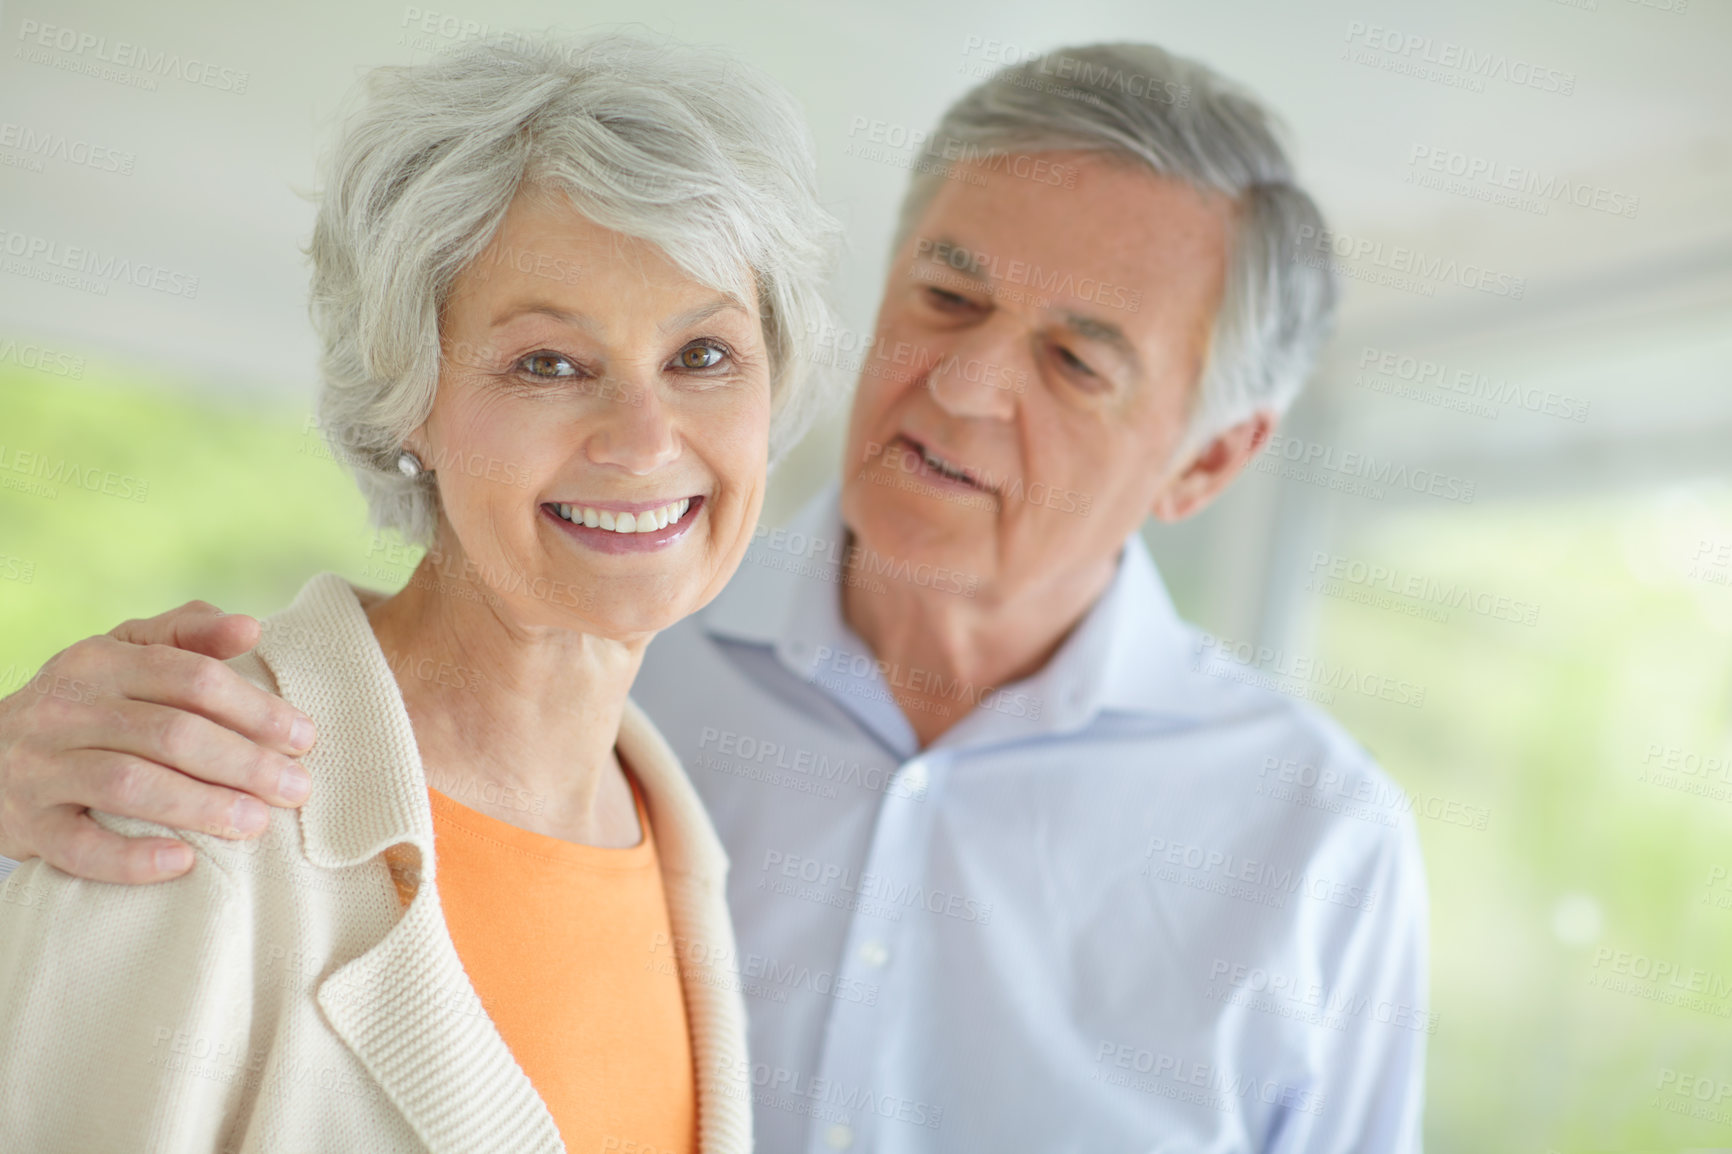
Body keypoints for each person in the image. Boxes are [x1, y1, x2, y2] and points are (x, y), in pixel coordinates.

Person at [0, 41, 1429, 1151]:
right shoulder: (201, 782)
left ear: (1217, 460)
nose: (967, 382)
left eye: (1076, 359)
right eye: (947, 297)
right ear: (410, 398)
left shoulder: (1315, 844)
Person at [0, 33, 844, 1154]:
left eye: (703, 355)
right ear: (408, 398)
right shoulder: (194, 800)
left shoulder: (675, 841)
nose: (645, 442)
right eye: (548, 362)